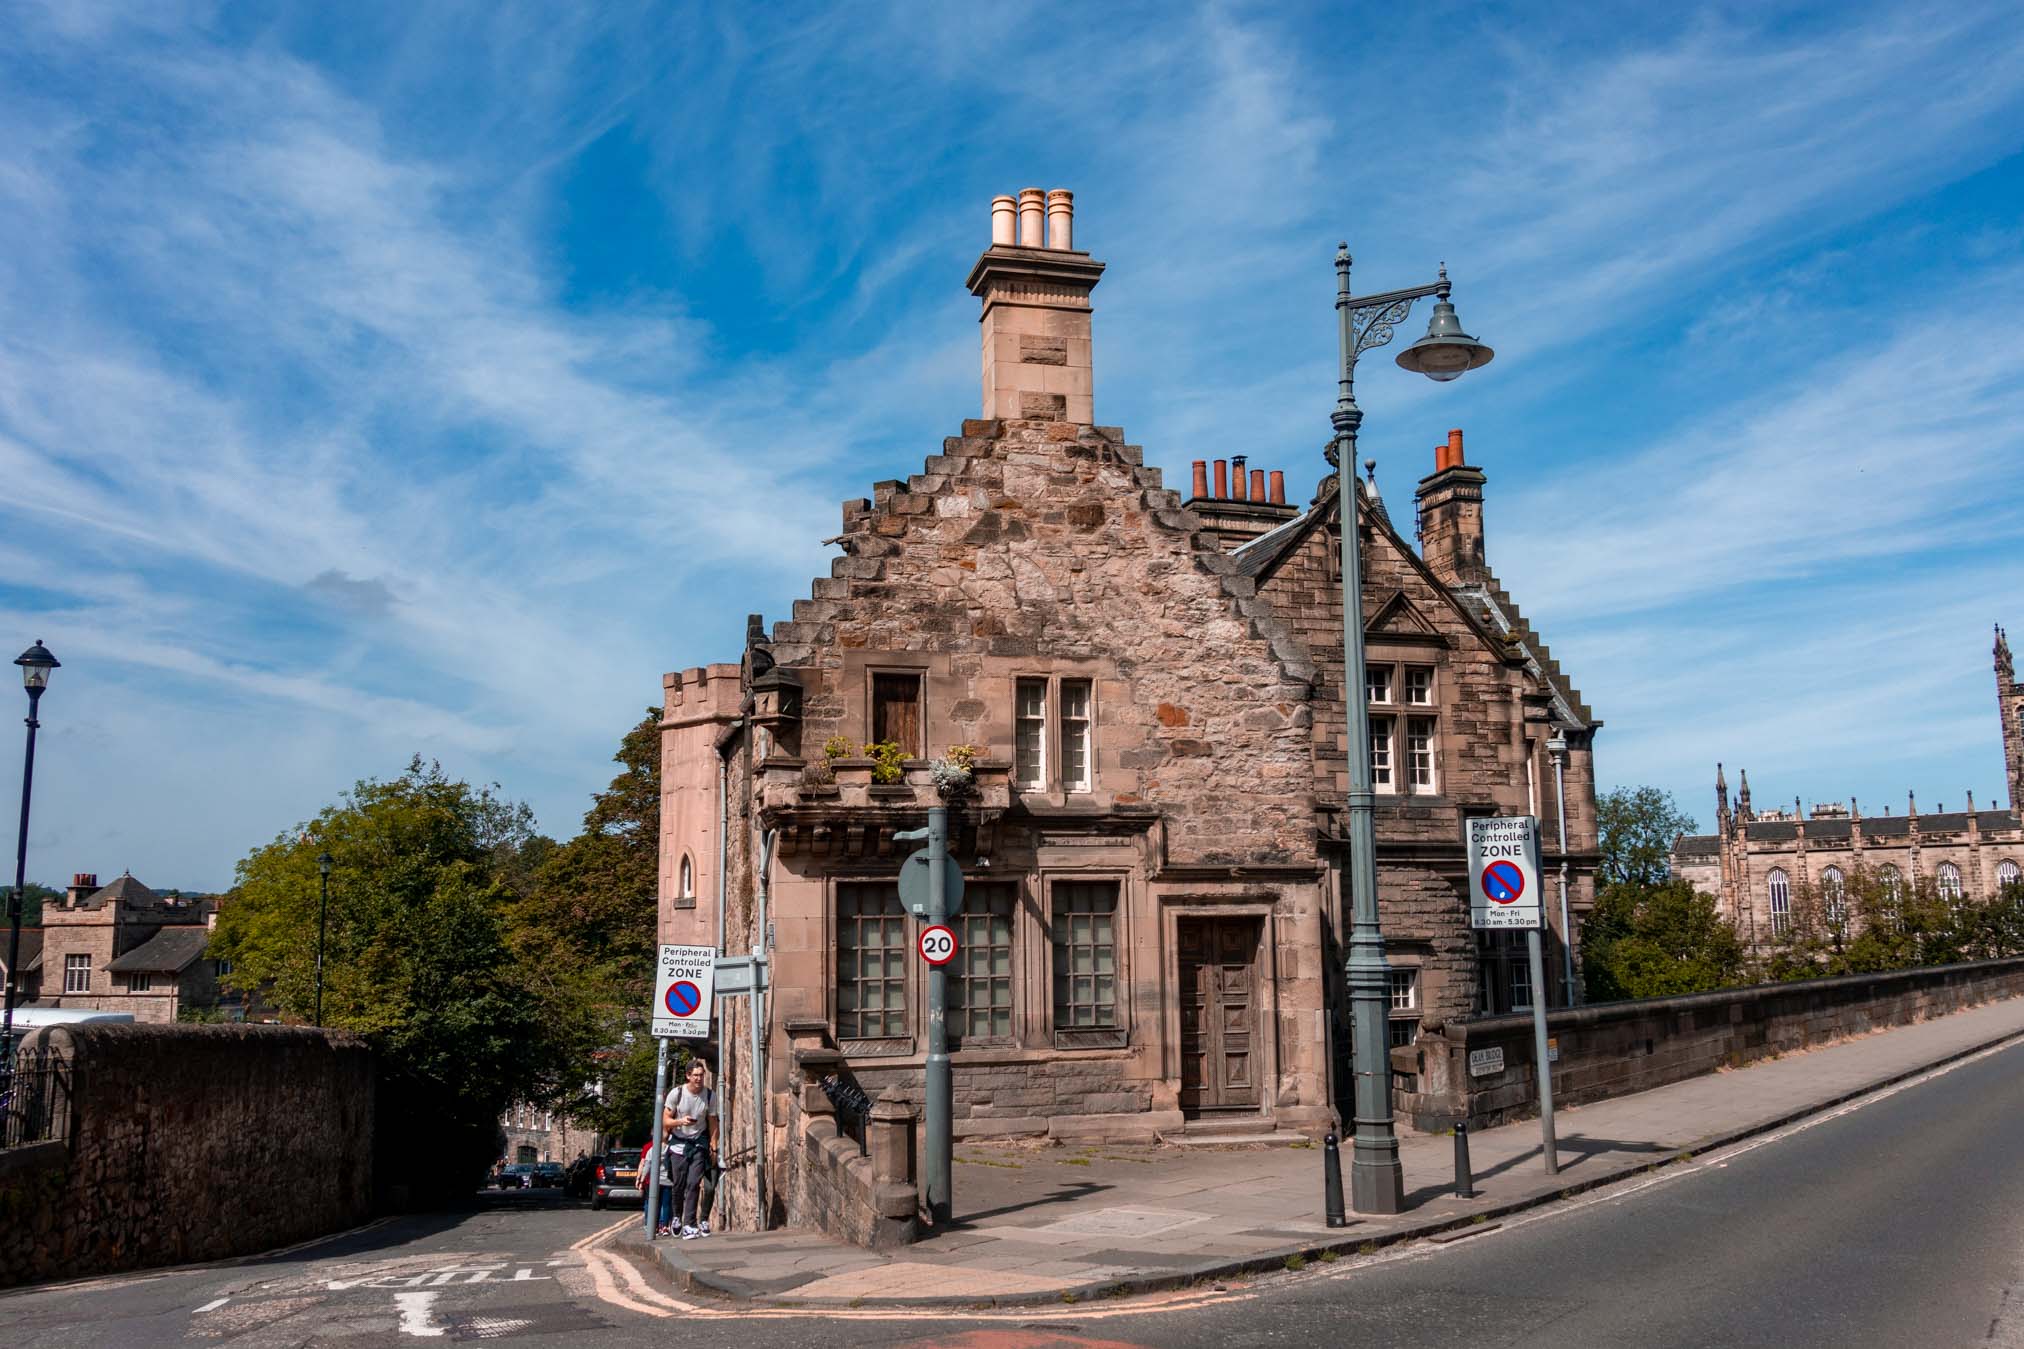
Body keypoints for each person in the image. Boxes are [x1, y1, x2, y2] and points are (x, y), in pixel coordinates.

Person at [662, 1058, 718, 1239]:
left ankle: (690, 1225)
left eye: (701, 1075)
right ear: (688, 1076)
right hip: (678, 1143)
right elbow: (665, 1121)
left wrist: (714, 1145)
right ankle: (677, 1216)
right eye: (695, 1076)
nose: (699, 1079)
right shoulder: (676, 1094)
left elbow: (712, 1121)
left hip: (699, 1143)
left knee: (694, 1184)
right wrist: (681, 1121)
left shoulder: (710, 1096)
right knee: (679, 1184)